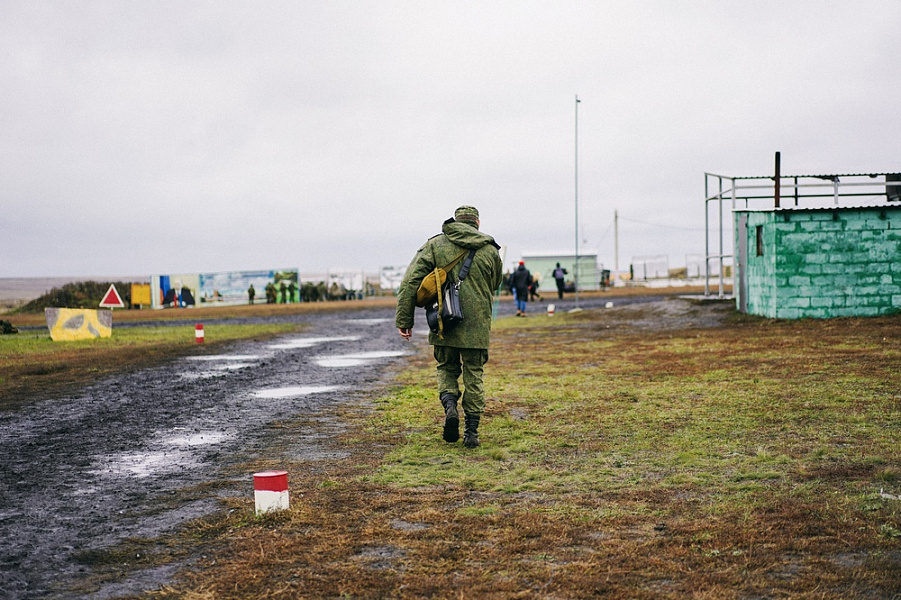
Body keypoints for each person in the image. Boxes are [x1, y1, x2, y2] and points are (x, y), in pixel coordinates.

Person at [395, 206, 503, 448]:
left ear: (455, 221)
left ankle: (451, 407)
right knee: (474, 374)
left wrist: (405, 320)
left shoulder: (434, 245)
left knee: (446, 368)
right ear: (477, 222)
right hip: (477, 325)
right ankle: (472, 432)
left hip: (444, 320)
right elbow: (496, 283)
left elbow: (410, 282)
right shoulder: (490, 249)